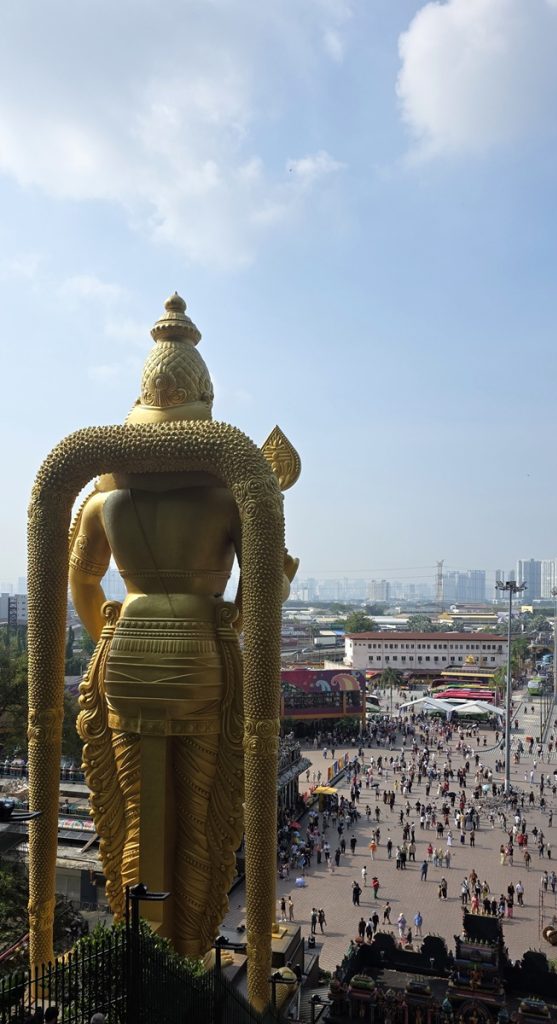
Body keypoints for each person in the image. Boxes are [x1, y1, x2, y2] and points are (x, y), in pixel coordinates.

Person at [63, 295, 298, 967]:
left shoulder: (105, 498)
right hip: (201, 658)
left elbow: (81, 583)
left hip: (127, 655)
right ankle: (188, 955)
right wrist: (240, 610)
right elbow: (262, 598)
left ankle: (145, 950)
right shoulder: (232, 493)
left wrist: (103, 628)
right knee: (200, 818)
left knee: (136, 813)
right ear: (204, 399)